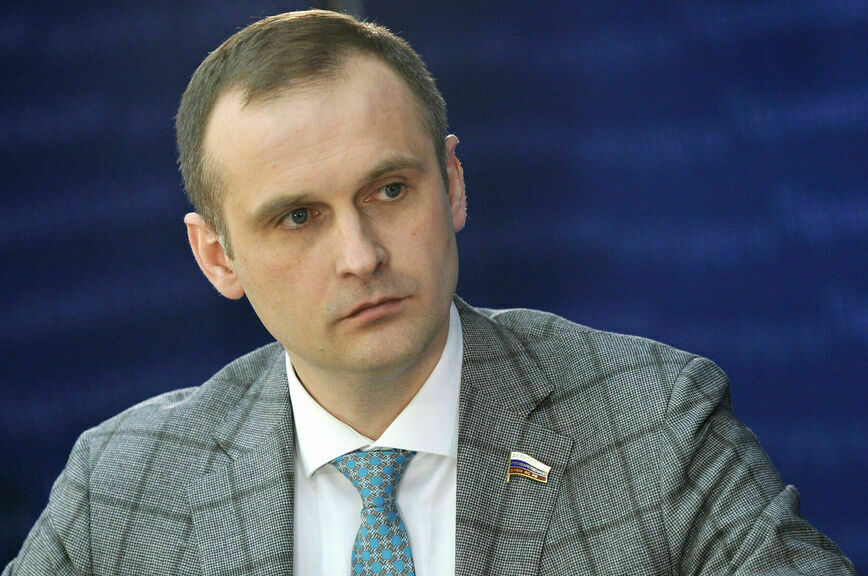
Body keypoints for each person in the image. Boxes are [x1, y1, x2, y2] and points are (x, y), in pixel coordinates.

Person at [3, 9, 856, 576]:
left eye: (389, 190)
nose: (360, 255)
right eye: (298, 217)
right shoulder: (123, 485)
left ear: (450, 184)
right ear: (217, 257)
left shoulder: (655, 423)